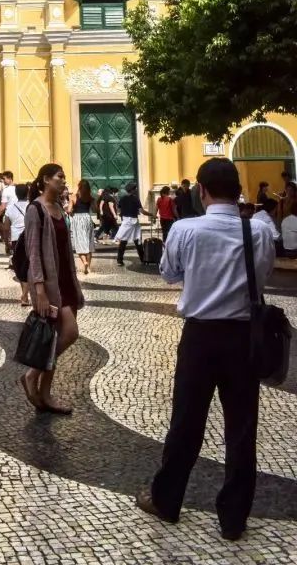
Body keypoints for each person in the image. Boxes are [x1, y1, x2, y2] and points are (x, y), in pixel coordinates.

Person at [137, 158, 275, 542]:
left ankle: (167, 498)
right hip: (243, 337)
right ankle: (233, 517)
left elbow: (168, 273)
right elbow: (262, 277)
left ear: (202, 190)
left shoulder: (185, 229)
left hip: (199, 336)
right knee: (242, 428)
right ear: (238, 190)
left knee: (186, 422)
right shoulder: (259, 232)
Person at [21, 163, 84, 415]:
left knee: (57, 337)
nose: (63, 181)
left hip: (66, 280)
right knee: (70, 333)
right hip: (49, 284)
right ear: (46, 180)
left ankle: (46, 395)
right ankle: (31, 374)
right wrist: (39, 290)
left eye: (64, 177)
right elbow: (33, 252)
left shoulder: (58, 207)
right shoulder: (35, 209)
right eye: (59, 177)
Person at [3, 181, 29, 306]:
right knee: (29, 266)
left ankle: (24, 294)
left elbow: (6, 227)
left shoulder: (11, 208)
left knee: (20, 267)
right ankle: (25, 294)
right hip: (30, 238)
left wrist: (6, 242)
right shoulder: (32, 206)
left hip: (16, 240)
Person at [114, 182, 147, 265]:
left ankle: (119, 260)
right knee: (137, 239)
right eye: (135, 188)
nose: (136, 189)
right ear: (132, 190)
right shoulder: (135, 199)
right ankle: (143, 259)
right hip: (133, 221)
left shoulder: (123, 199)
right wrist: (151, 214)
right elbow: (141, 211)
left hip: (126, 221)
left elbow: (119, 210)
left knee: (124, 240)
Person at [68, 179, 96, 275]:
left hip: (77, 219)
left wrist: (70, 211)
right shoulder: (90, 197)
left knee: (79, 242)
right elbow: (94, 209)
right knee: (88, 242)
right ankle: (89, 267)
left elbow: (69, 210)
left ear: (79, 187)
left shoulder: (73, 197)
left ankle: (84, 262)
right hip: (87, 218)